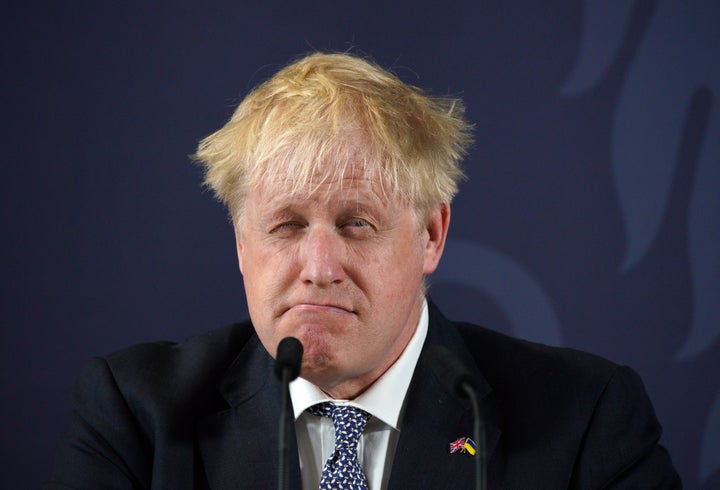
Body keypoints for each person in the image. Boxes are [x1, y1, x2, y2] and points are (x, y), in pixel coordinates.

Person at [47, 52, 680, 489]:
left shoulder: (586, 421)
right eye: (287, 226)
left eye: (356, 224)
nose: (319, 269)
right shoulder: (137, 416)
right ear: (242, 245)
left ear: (431, 235)